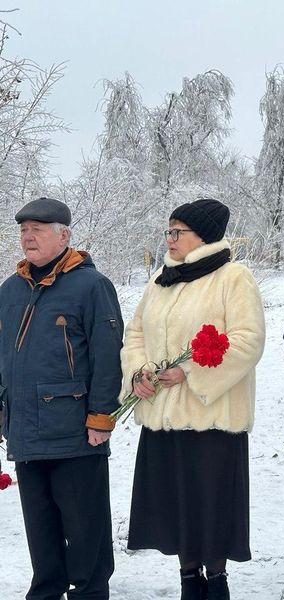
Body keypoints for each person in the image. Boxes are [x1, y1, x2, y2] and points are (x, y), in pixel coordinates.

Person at [121, 198, 265, 600]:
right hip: (163, 418)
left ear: (202, 236)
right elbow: (135, 334)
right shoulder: (160, 280)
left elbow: (248, 340)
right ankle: (188, 580)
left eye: (177, 232)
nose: (169, 239)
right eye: (168, 231)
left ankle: (216, 581)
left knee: (211, 506)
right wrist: (138, 373)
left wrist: (191, 372)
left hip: (211, 416)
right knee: (176, 507)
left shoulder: (233, 278)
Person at [0, 197, 123, 599]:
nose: (28, 236)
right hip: (27, 433)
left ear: (64, 235)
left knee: (86, 539)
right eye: (23, 229)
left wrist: (101, 417)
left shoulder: (91, 285)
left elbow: (108, 356)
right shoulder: (11, 289)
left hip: (75, 436)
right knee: (42, 535)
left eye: (38, 228)